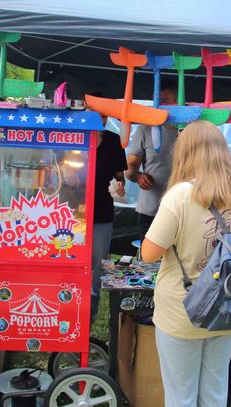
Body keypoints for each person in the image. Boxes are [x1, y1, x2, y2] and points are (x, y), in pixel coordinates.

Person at [141, 121, 231, 407]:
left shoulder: (180, 196)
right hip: (229, 307)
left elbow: (149, 253)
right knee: (214, 394)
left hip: (182, 309)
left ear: (185, 152)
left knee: (181, 397)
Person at [126, 83, 178, 241]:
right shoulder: (145, 129)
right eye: (158, 101)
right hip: (150, 210)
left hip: (181, 211)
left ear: (178, 102)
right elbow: (129, 168)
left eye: (165, 101)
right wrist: (138, 176)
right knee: (149, 255)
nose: (160, 105)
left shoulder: (189, 131)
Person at [90, 107, 127, 324]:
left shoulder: (114, 141)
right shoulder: (76, 135)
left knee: (97, 267)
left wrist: (120, 186)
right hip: (73, 213)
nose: (99, 120)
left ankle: (89, 316)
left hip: (102, 212)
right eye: (94, 114)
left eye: (103, 116)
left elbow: (120, 177)